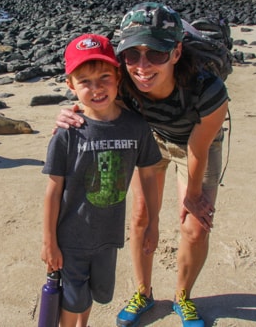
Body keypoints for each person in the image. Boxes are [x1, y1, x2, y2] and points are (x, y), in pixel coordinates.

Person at [56, 3, 229, 327]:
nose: (142, 66)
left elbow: (197, 146)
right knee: (140, 216)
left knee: (195, 227)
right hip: (147, 139)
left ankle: (182, 297)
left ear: (176, 52)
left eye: (157, 54)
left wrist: (192, 195)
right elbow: (96, 99)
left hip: (194, 143)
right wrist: (71, 111)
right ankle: (143, 292)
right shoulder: (122, 80)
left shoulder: (208, 89)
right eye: (132, 55)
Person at [41, 33, 163, 327]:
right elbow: (53, 191)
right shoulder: (68, 133)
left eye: (104, 77)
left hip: (109, 238)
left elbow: (149, 176)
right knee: (71, 301)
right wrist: (49, 242)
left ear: (118, 76)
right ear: (70, 85)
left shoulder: (136, 127)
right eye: (85, 81)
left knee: (94, 296)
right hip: (70, 239)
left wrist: (153, 223)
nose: (96, 88)